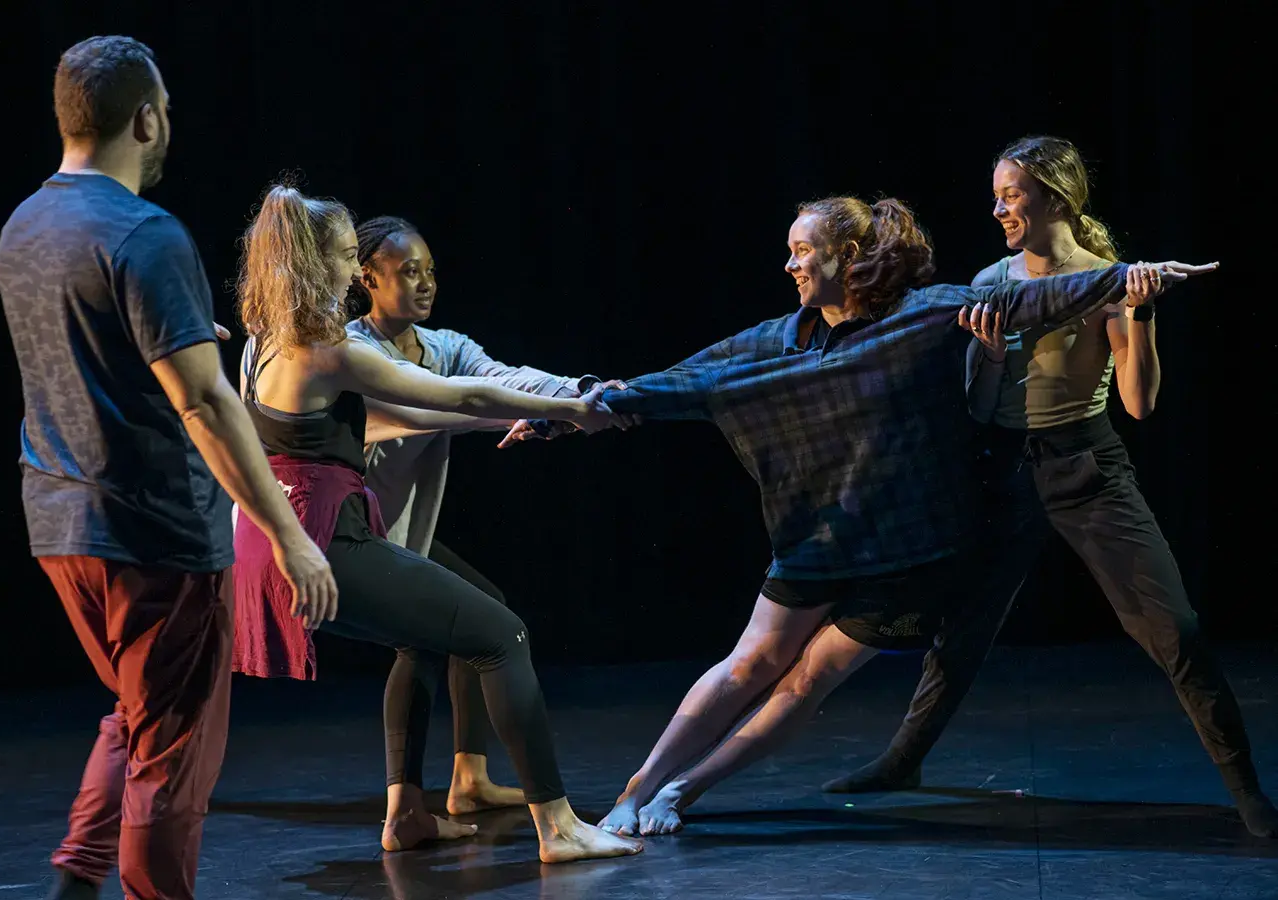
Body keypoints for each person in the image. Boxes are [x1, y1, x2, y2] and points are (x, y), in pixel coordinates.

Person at [502, 194, 1213, 836]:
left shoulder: (926, 315)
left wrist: (1128, 278)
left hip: (908, 555)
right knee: (750, 662)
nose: (789, 264)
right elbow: (673, 384)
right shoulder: (776, 341)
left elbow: (1038, 301)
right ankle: (637, 789)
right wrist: (566, 412)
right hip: (818, 540)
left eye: (802, 250)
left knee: (808, 681)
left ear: (847, 255)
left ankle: (682, 791)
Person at [821, 136, 1278, 839]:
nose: (999, 208)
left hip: (1086, 467)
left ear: (1055, 199)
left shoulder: (1110, 281)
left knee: (1174, 631)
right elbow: (977, 407)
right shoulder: (991, 282)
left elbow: (1139, 404)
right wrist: (992, 355)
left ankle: (1247, 790)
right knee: (961, 630)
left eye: (1012, 195)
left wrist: (1145, 314)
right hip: (1003, 469)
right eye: (998, 195)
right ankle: (901, 762)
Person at [0, 37, 338, 900]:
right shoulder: (146, 233)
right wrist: (289, 536)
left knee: (139, 713)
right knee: (175, 755)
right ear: (145, 117)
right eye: (168, 112)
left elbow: (93, 356)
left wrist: (185, 346)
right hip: (158, 534)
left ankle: (77, 875)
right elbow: (208, 405)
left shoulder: (23, 226)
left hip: (61, 527)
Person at [229, 183, 644, 863]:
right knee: (502, 635)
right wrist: (573, 411)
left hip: (281, 542)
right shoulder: (329, 350)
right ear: (322, 266)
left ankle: (409, 815)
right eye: (342, 256)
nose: (351, 272)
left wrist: (559, 403)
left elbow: (459, 397)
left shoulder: (264, 342)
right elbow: (463, 396)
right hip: (329, 540)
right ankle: (560, 828)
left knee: (432, 633)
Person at [343, 215, 608, 815]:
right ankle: (404, 806)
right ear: (368, 279)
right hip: (349, 533)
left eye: (430, 271)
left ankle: (468, 779)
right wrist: (562, 409)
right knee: (431, 637)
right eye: (409, 272)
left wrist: (580, 388)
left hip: (403, 531)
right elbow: (446, 404)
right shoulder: (353, 353)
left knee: (480, 611)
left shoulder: (445, 347)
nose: (425, 283)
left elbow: (501, 377)